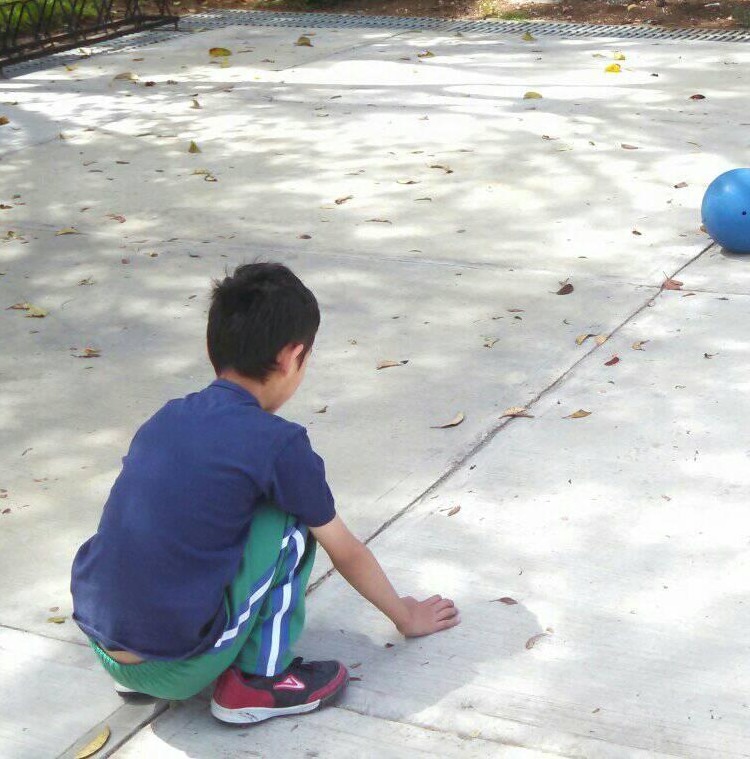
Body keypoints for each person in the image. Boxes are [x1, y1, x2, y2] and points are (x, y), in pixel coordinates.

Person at [70, 262, 459, 725]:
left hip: (102, 642)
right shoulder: (279, 443)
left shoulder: (168, 417)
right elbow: (345, 550)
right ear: (293, 356)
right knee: (293, 520)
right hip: (173, 667)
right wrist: (404, 616)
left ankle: (140, 663)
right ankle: (257, 682)